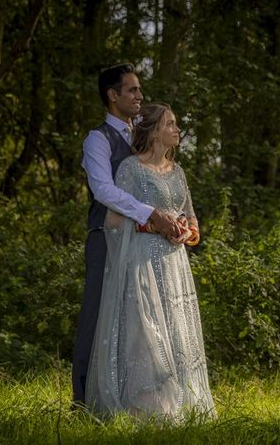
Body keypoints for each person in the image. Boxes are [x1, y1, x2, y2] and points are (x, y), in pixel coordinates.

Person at [85, 103, 216, 421]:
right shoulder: (130, 168)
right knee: (146, 333)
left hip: (175, 266)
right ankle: (145, 408)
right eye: (171, 124)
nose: (177, 130)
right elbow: (113, 221)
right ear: (155, 131)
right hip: (142, 262)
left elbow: (193, 222)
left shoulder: (178, 172)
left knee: (175, 331)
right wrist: (153, 223)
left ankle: (178, 403)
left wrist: (185, 233)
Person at [73, 64, 181, 404]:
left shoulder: (144, 134)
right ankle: (86, 398)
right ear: (113, 95)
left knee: (139, 317)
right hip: (106, 239)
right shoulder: (98, 139)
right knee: (98, 315)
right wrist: (151, 215)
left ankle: (133, 395)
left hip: (143, 243)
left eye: (139, 90)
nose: (139, 96)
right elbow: (103, 190)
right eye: (132, 90)